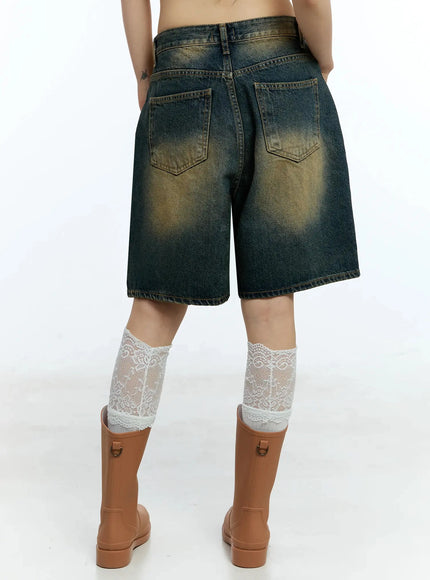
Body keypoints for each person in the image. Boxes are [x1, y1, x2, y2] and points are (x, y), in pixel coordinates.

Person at [96, 0, 360, 570]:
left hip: (180, 67)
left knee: (156, 304)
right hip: (280, 65)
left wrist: (145, 73)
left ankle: (114, 521)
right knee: (271, 303)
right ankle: (252, 523)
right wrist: (322, 57)